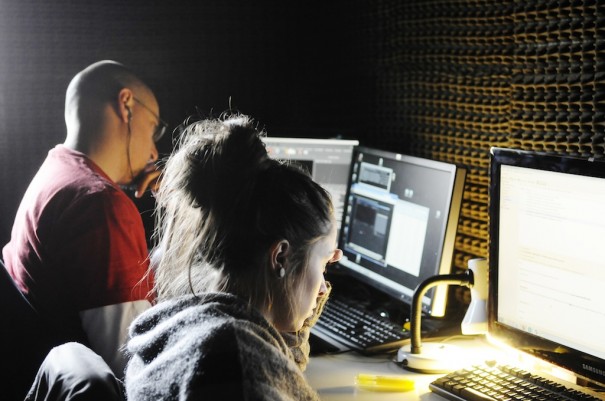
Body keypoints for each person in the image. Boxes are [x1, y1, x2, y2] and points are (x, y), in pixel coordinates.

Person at [124, 114, 342, 400]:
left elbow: (280, 368)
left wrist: (310, 279)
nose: (324, 287)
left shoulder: (197, 326)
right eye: (324, 265)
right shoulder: (236, 364)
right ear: (280, 258)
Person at [2, 60, 165, 378]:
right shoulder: (100, 204)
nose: (154, 153)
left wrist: (175, 209)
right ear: (126, 105)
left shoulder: (55, 176)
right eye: (154, 127)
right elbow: (134, 367)